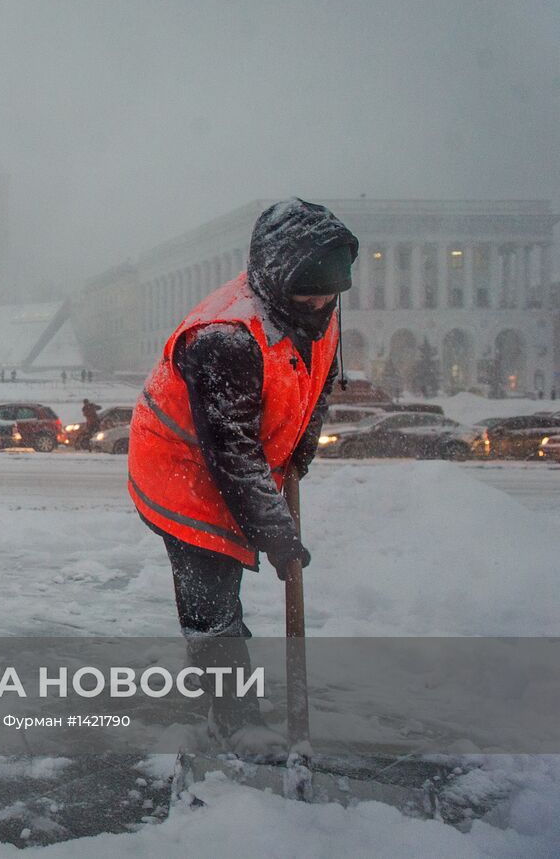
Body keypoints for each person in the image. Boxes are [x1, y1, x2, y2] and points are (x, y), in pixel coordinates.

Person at [127, 198, 356, 746]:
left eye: (330, 292)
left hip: (229, 462)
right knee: (213, 607)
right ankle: (234, 723)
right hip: (179, 474)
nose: (321, 303)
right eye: (309, 292)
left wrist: (301, 449)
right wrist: (278, 537)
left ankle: (233, 700)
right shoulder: (224, 338)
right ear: (276, 280)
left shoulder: (317, 309)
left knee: (227, 593)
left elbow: (320, 379)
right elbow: (233, 457)